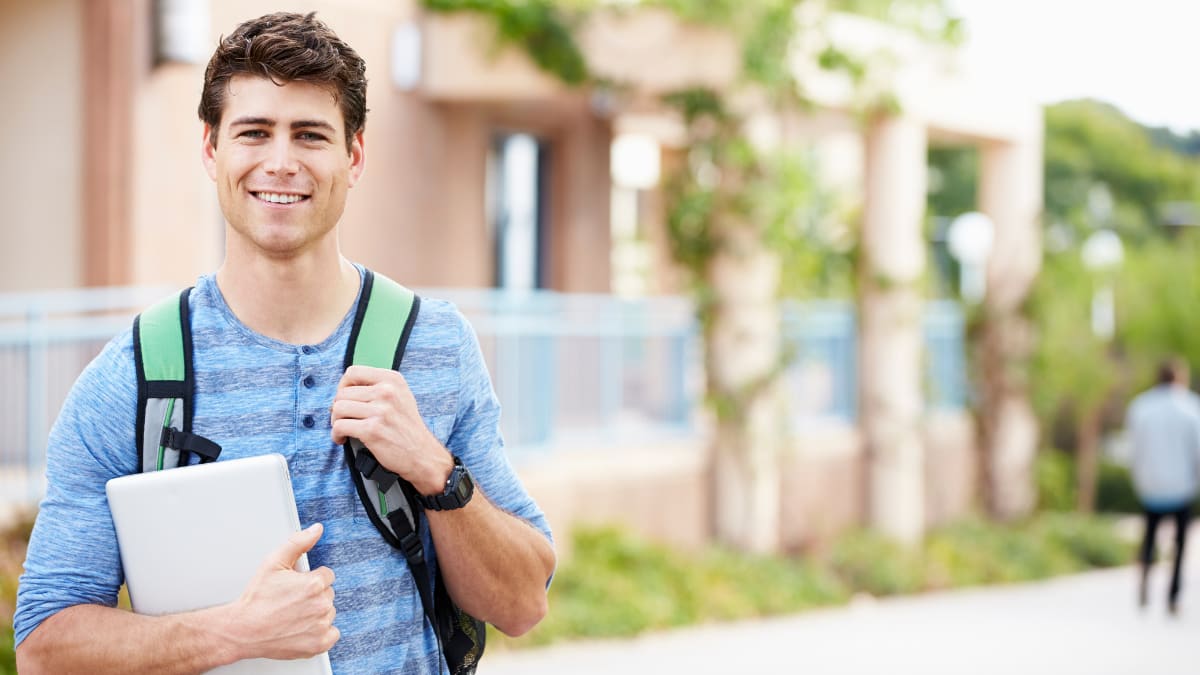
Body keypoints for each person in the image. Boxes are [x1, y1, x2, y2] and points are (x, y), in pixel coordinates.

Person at [14, 12, 555, 673]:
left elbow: (522, 603)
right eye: (253, 132)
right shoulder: (135, 377)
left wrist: (434, 471)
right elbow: (43, 646)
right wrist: (231, 633)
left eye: (310, 135)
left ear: (354, 156)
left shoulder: (435, 344)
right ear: (211, 149)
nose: (280, 162)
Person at [1126, 356, 1200, 616]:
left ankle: (1145, 582)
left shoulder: (1140, 406)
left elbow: (1134, 449)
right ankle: (1173, 595)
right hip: (1182, 486)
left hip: (1151, 485)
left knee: (1149, 539)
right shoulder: (1191, 407)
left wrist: (1139, 478)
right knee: (1179, 545)